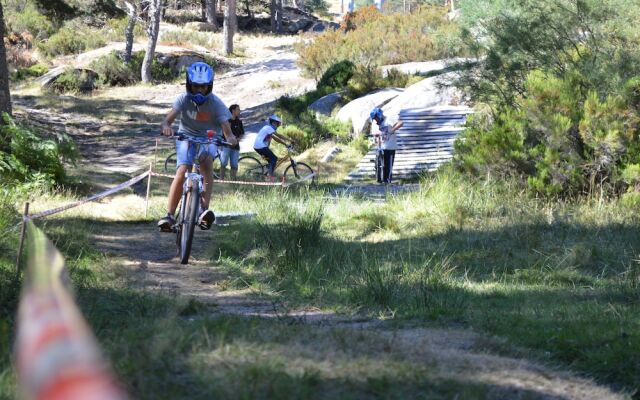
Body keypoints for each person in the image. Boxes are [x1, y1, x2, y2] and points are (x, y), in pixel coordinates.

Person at [157, 62, 238, 232]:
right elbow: (167, 120)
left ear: (209, 86)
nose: (199, 90)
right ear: (189, 85)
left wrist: (230, 138)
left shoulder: (216, 103)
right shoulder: (183, 99)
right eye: (196, 86)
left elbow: (226, 128)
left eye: (203, 87)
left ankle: (203, 211)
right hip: (185, 136)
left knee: (207, 164)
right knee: (182, 169)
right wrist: (166, 127)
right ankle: (169, 216)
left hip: (209, 138)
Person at [370, 107, 403, 184]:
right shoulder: (379, 124)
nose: (376, 120)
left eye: (376, 118)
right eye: (374, 119)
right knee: (381, 165)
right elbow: (381, 134)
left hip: (390, 147)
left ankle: (387, 182)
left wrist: (393, 129)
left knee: (388, 166)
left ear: (380, 115)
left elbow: (401, 123)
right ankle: (381, 180)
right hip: (382, 147)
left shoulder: (389, 120)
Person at [253, 114, 292, 179]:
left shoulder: (269, 129)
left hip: (259, 146)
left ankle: (266, 174)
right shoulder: (268, 128)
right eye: (277, 124)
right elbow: (278, 137)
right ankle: (269, 176)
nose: (278, 126)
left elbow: (273, 138)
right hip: (260, 146)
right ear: (273, 123)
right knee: (274, 158)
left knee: (271, 161)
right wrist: (288, 141)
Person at [219, 104, 244, 180]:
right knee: (223, 163)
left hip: (236, 146)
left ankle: (233, 181)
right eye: (238, 109)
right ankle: (221, 179)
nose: (239, 111)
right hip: (226, 145)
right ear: (233, 110)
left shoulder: (239, 122)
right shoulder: (226, 121)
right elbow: (221, 132)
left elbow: (242, 133)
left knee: (234, 164)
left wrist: (238, 139)